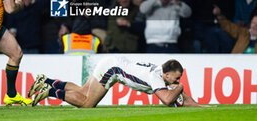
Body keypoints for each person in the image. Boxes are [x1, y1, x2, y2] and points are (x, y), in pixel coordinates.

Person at [27, 57, 207, 107]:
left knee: (82, 91)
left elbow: (179, 94)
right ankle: (49, 91)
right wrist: (181, 86)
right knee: (86, 103)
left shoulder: (163, 74)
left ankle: (47, 81)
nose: (177, 81)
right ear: (167, 74)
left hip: (112, 63)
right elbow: (168, 100)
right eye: (176, 78)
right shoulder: (156, 77)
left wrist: (199, 106)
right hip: (112, 70)